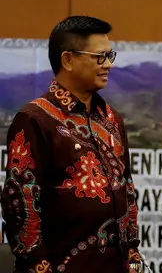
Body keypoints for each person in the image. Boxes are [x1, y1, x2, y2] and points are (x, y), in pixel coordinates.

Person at [1, 16, 141, 273]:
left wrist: (133, 253)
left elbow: (127, 189)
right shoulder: (35, 120)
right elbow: (21, 204)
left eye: (110, 55)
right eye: (100, 56)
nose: (108, 64)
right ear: (68, 60)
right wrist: (38, 266)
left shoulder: (112, 119)